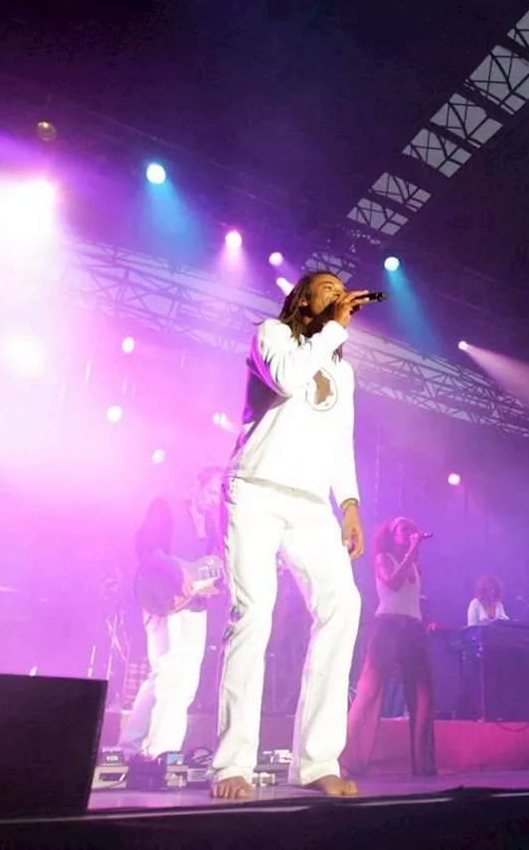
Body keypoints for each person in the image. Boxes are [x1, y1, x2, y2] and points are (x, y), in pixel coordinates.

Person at [210, 271, 374, 799]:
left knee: (342, 606)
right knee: (253, 614)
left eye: (340, 288)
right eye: (326, 286)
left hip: (310, 504)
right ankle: (231, 763)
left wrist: (349, 504)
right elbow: (284, 377)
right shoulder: (271, 335)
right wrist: (333, 331)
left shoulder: (341, 371)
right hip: (254, 489)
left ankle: (316, 760)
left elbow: (340, 441)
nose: (337, 292)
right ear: (303, 298)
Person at [121, 465, 223, 759]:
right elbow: (145, 545)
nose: (215, 500)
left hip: (194, 604)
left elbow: (211, 566)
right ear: (195, 485)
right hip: (161, 596)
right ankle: (162, 752)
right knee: (168, 670)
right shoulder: (166, 507)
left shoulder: (213, 526)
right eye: (211, 492)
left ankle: (131, 744)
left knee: (184, 679)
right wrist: (175, 567)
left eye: (219, 494)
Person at [343, 517, 436, 777]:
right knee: (371, 692)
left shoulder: (415, 564)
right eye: (405, 528)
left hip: (413, 629)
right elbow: (393, 583)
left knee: (424, 695)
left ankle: (424, 766)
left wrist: (412, 554)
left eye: (412, 528)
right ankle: (350, 761)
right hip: (388, 627)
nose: (411, 532)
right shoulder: (383, 558)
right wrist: (410, 552)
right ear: (391, 534)